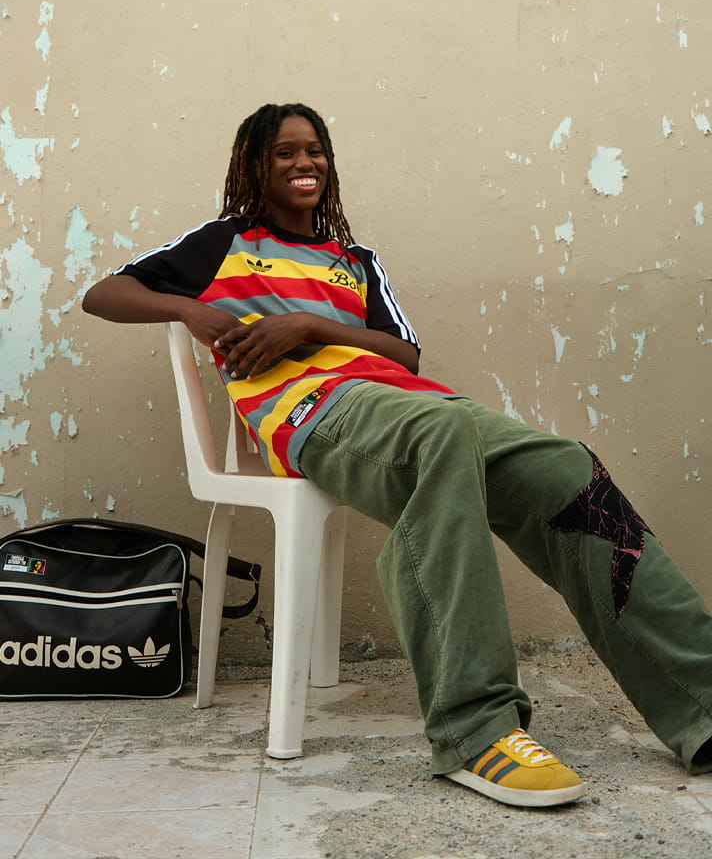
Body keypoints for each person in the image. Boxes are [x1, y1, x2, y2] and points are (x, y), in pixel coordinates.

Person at [83, 102, 712, 809]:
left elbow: (404, 354)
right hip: (311, 414)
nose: (304, 163)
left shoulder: (356, 263)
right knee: (443, 436)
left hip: (415, 407)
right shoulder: (225, 241)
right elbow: (104, 294)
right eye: (285, 152)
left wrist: (308, 325)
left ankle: (704, 701)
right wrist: (189, 309)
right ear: (256, 165)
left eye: (314, 150)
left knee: (569, 470)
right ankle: (477, 729)